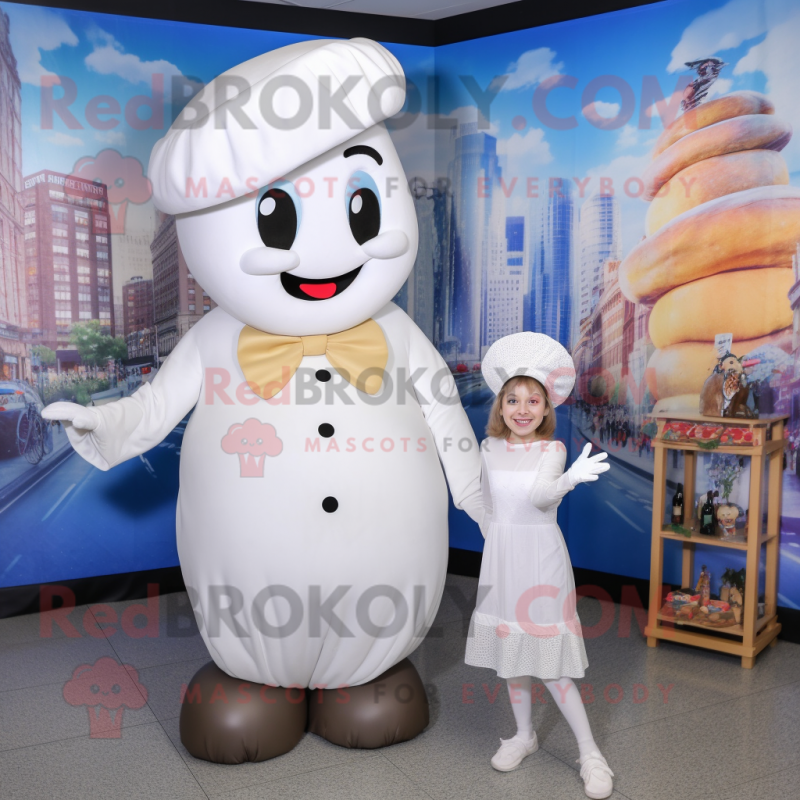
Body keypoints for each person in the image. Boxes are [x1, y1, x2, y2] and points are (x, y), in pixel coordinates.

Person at [465, 332, 615, 799]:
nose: (523, 409)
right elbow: (488, 505)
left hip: (542, 563)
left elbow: (538, 498)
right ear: (501, 405)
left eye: (533, 400)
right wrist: (495, 542)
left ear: (546, 408)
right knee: (513, 660)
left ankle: (591, 754)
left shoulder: (552, 451)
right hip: (503, 561)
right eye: (513, 400)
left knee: (551, 666)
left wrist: (569, 480)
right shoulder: (489, 449)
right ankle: (524, 735)